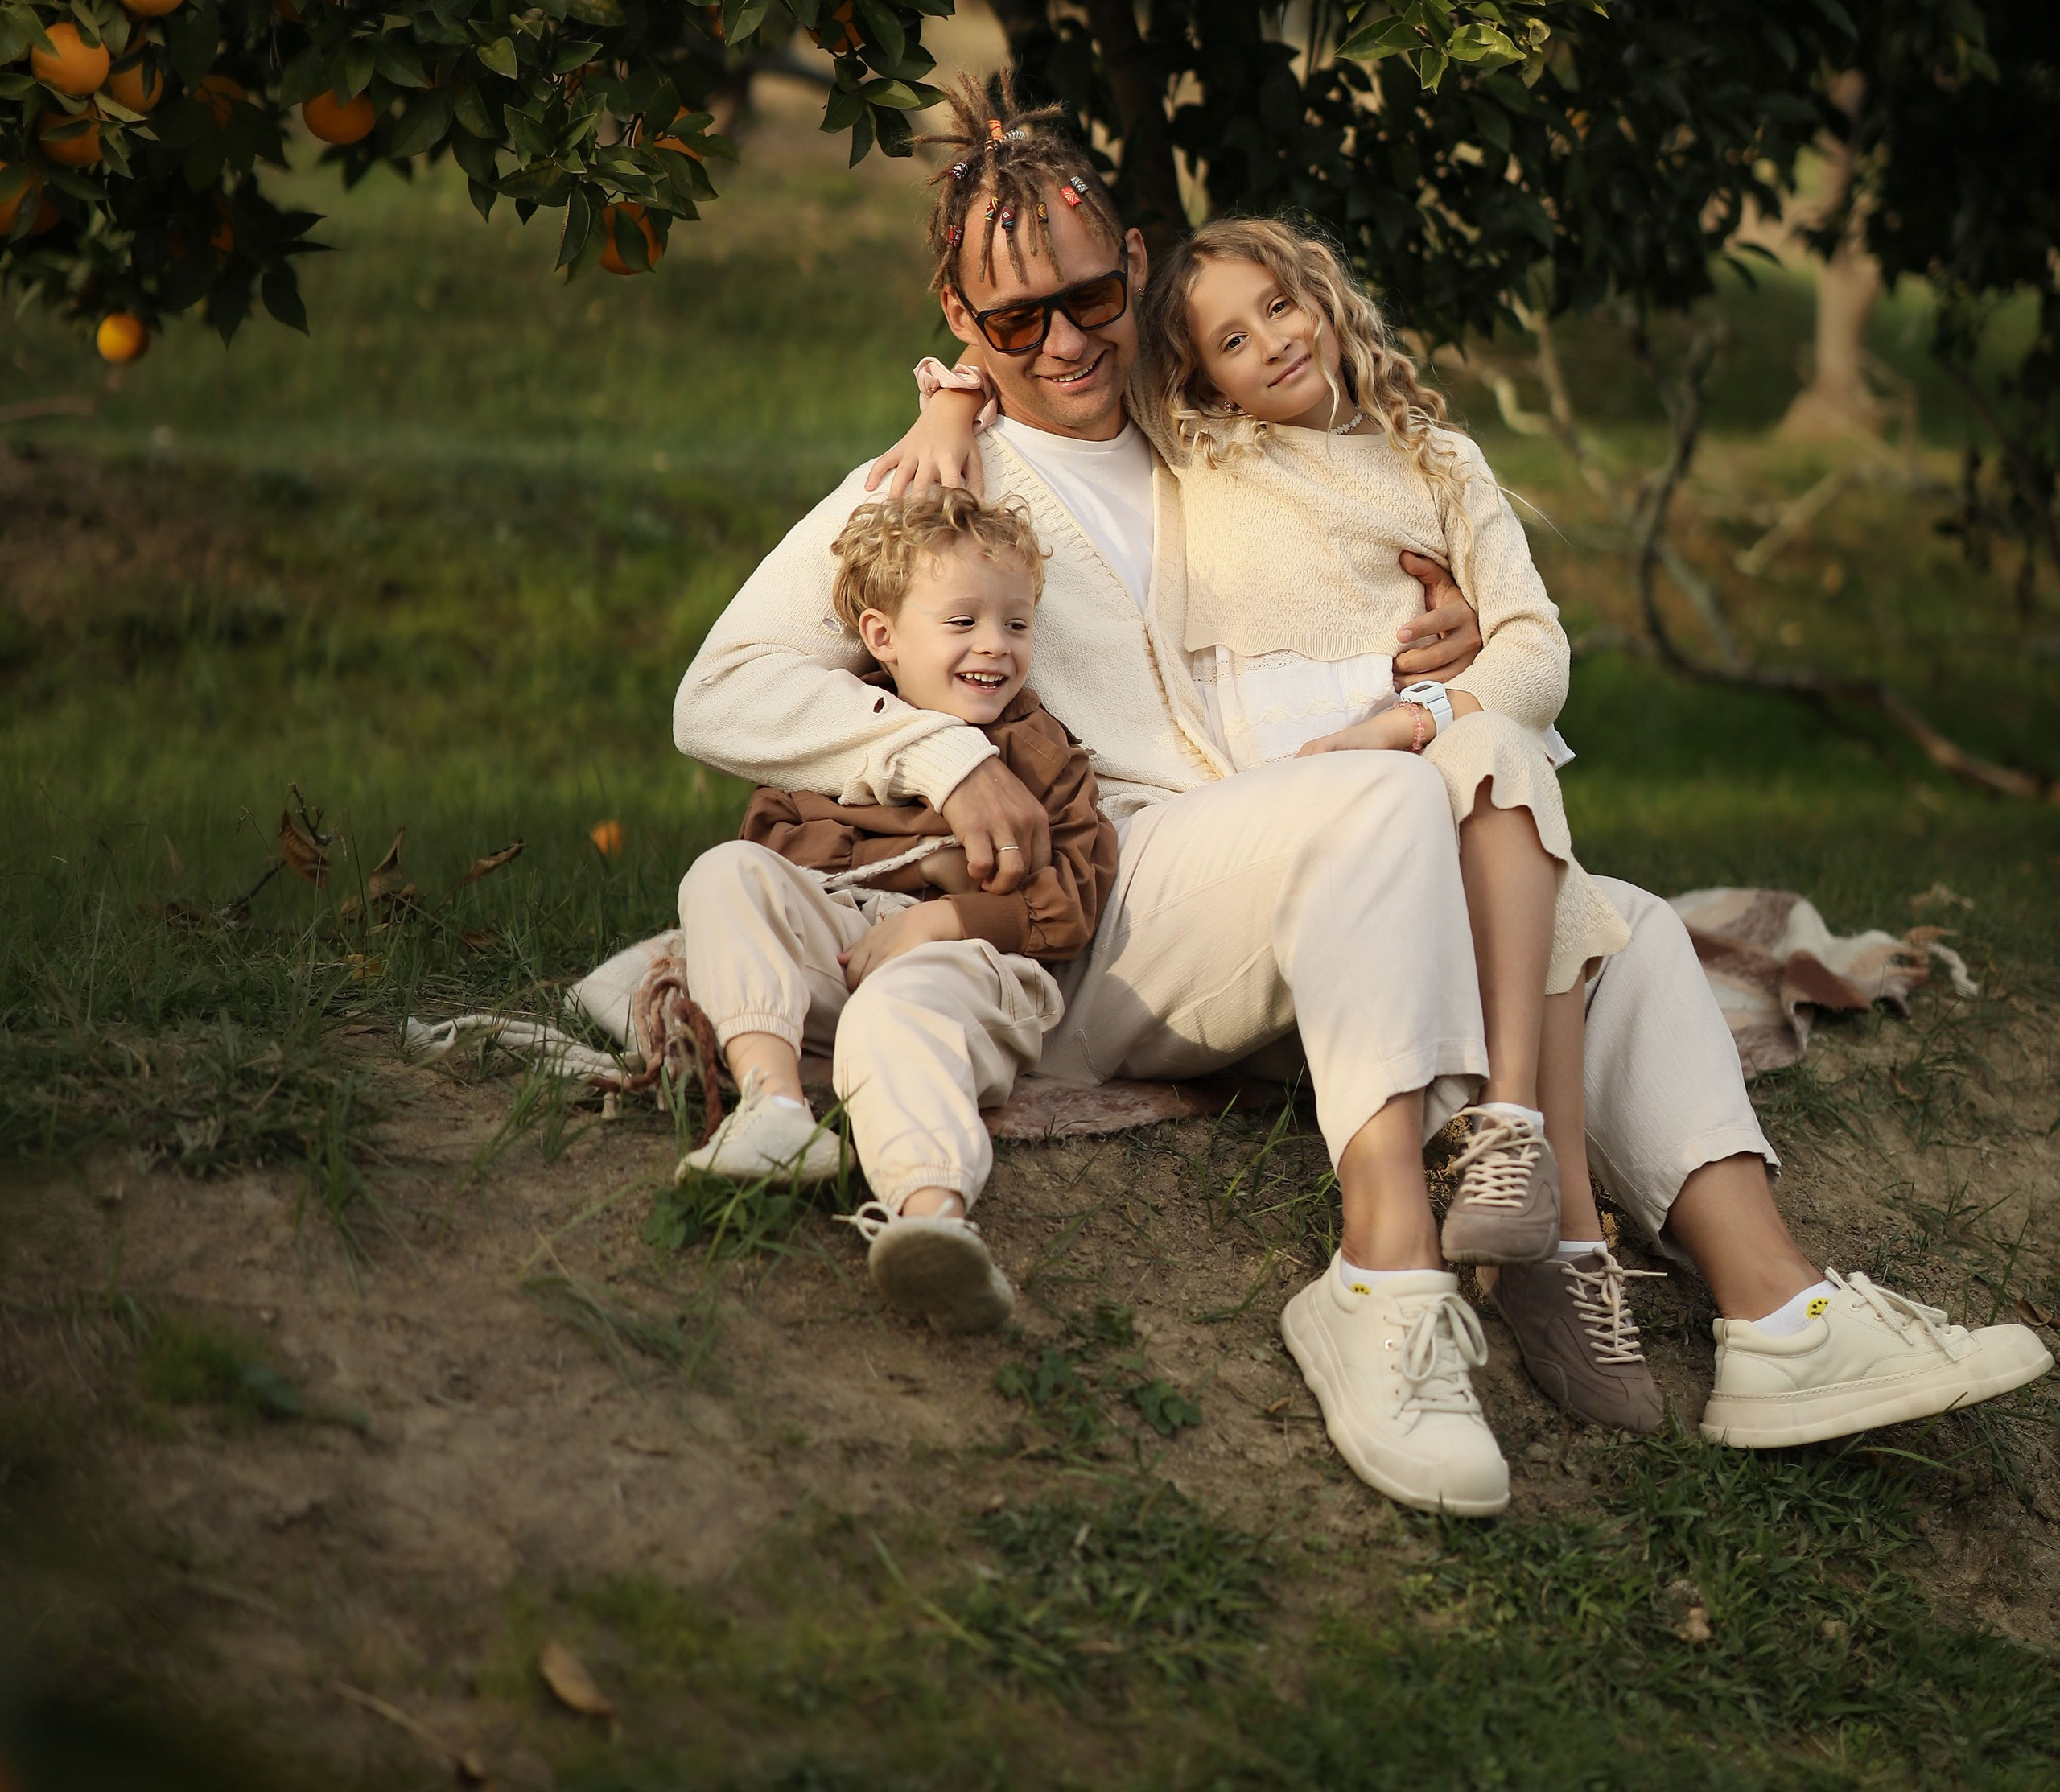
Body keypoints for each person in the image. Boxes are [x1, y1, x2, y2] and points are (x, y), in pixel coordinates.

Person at [673, 75, 2050, 1513]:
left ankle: (1781, 1319)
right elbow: (720, 691)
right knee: (1389, 803)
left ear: (1137, 265)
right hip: (1104, 918)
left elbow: (1368, 517)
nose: (1065, 343)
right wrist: (941, 752)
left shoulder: (1210, 422)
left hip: (1309, 891)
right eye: (1012, 325)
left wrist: (1435, 640)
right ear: (960, 325)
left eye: (1088, 298)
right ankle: (1384, 1284)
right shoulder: (930, 486)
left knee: (1618, 925)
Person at [910, 212, 1637, 1407]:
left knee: (1568, 858)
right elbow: (1049, 367)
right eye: (1232, 340)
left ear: (1325, 294)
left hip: (1426, 738)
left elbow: (1533, 644)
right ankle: (1523, 1231)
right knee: (1492, 833)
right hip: (1298, 790)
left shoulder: (1442, 459)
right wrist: (948, 404)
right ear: (1202, 375)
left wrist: (1435, 709)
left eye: (1280, 309)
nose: (1270, 346)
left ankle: (1560, 1191)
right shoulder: (1204, 440)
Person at [676, 488, 1116, 1337]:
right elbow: (776, 850)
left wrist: (943, 917)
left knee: (898, 1003)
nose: (995, 645)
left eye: (1016, 625)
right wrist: (896, 863)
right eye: (963, 623)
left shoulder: (1044, 756)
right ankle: (772, 1110)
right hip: (844, 944)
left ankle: (931, 1216)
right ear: (882, 637)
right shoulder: (845, 731)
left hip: (972, 972)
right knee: (725, 871)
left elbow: (1067, 904)